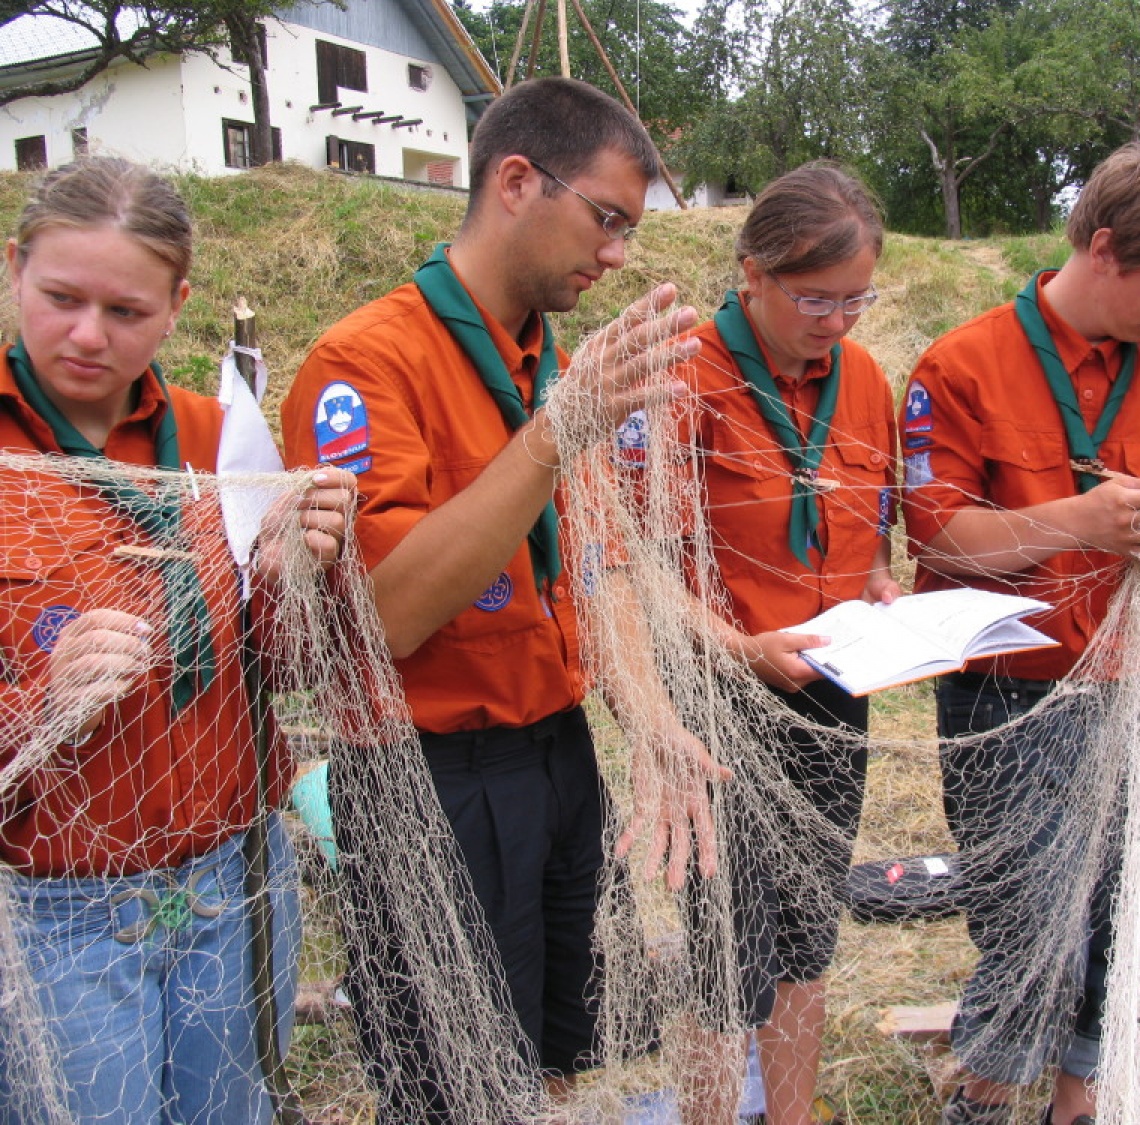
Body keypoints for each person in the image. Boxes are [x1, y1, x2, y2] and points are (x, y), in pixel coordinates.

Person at [281, 77, 719, 1118]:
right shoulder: (366, 364)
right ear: (517, 181)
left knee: (557, 1057)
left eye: (629, 230)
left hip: (556, 754)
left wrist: (650, 726)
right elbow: (383, 616)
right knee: (450, 1088)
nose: (616, 253)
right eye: (607, 219)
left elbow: (596, 568)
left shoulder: (547, 361)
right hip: (429, 779)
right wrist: (552, 437)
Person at [0, 157, 354, 1122]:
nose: (86, 334)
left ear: (177, 304)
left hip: (235, 881)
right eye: (60, 296)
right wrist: (39, 704)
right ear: (13, 267)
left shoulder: (219, 443)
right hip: (52, 913)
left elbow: (277, 671)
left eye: (126, 311)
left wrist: (297, 573)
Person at [899, 143, 1140, 1125]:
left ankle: (1078, 1102)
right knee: (1028, 923)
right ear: (1104, 248)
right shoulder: (963, 366)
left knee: (1122, 915)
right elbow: (936, 536)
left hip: (1136, 696)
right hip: (1011, 700)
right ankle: (987, 1099)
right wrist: (1074, 522)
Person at [650, 161, 897, 1125]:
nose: (837, 323)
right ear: (750, 272)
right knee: (725, 945)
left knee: (806, 931)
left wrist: (874, 578)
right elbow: (641, 573)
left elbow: (866, 516)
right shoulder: (681, 376)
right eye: (814, 299)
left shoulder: (866, 379)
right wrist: (739, 648)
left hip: (836, 695)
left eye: (855, 300)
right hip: (724, 697)